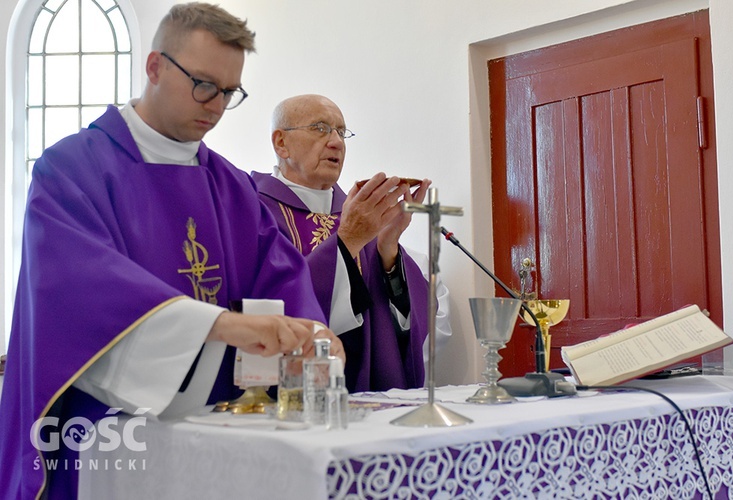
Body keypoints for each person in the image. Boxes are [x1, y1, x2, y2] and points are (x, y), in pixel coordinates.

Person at [0, 5, 342, 499]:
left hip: (217, 438)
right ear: (155, 67)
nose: (215, 105)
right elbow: (80, 289)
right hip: (107, 440)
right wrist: (219, 324)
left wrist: (314, 331)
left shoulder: (230, 185)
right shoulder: (70, 169)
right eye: (204, 84)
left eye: (229, 92)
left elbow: (279, 274)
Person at [251, 94, 451, 393]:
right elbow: (271, 303)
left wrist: (387, 250)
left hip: (363, 392)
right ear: (281, 143)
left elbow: (409, 323)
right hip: (287, 395)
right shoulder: (253, 209)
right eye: (320, 128)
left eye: (341, 132)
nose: (336, 142)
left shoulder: (355, 212)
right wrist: (348, 241)